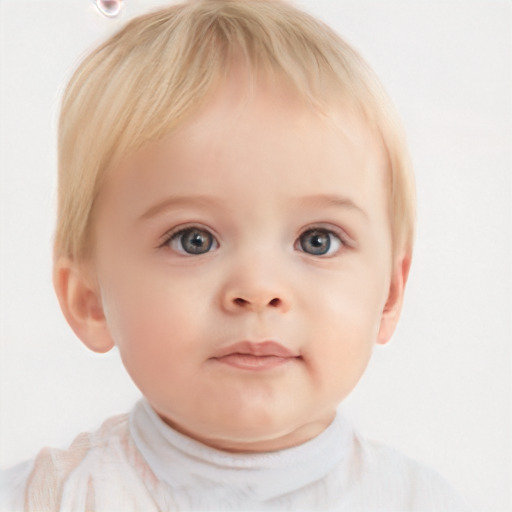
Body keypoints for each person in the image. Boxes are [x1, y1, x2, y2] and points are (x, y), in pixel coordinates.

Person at [1, 0, 470, 510]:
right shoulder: (46, 499)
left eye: (318, 240)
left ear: (390, 295)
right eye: (193, 239)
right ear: (89, 299)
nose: (259, 288)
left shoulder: (420, 502)